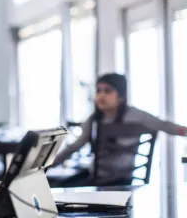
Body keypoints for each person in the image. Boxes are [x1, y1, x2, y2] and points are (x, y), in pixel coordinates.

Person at [53, 73, 187, 185]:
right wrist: (50, 163)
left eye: (108, 91)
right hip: (112, 180)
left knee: (57, 186)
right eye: (98, 91)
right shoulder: (94, 119)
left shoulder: (132, 116)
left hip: (103, 182)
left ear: (121, 96)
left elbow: (167, 126)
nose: (101, 96)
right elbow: (75, 146)